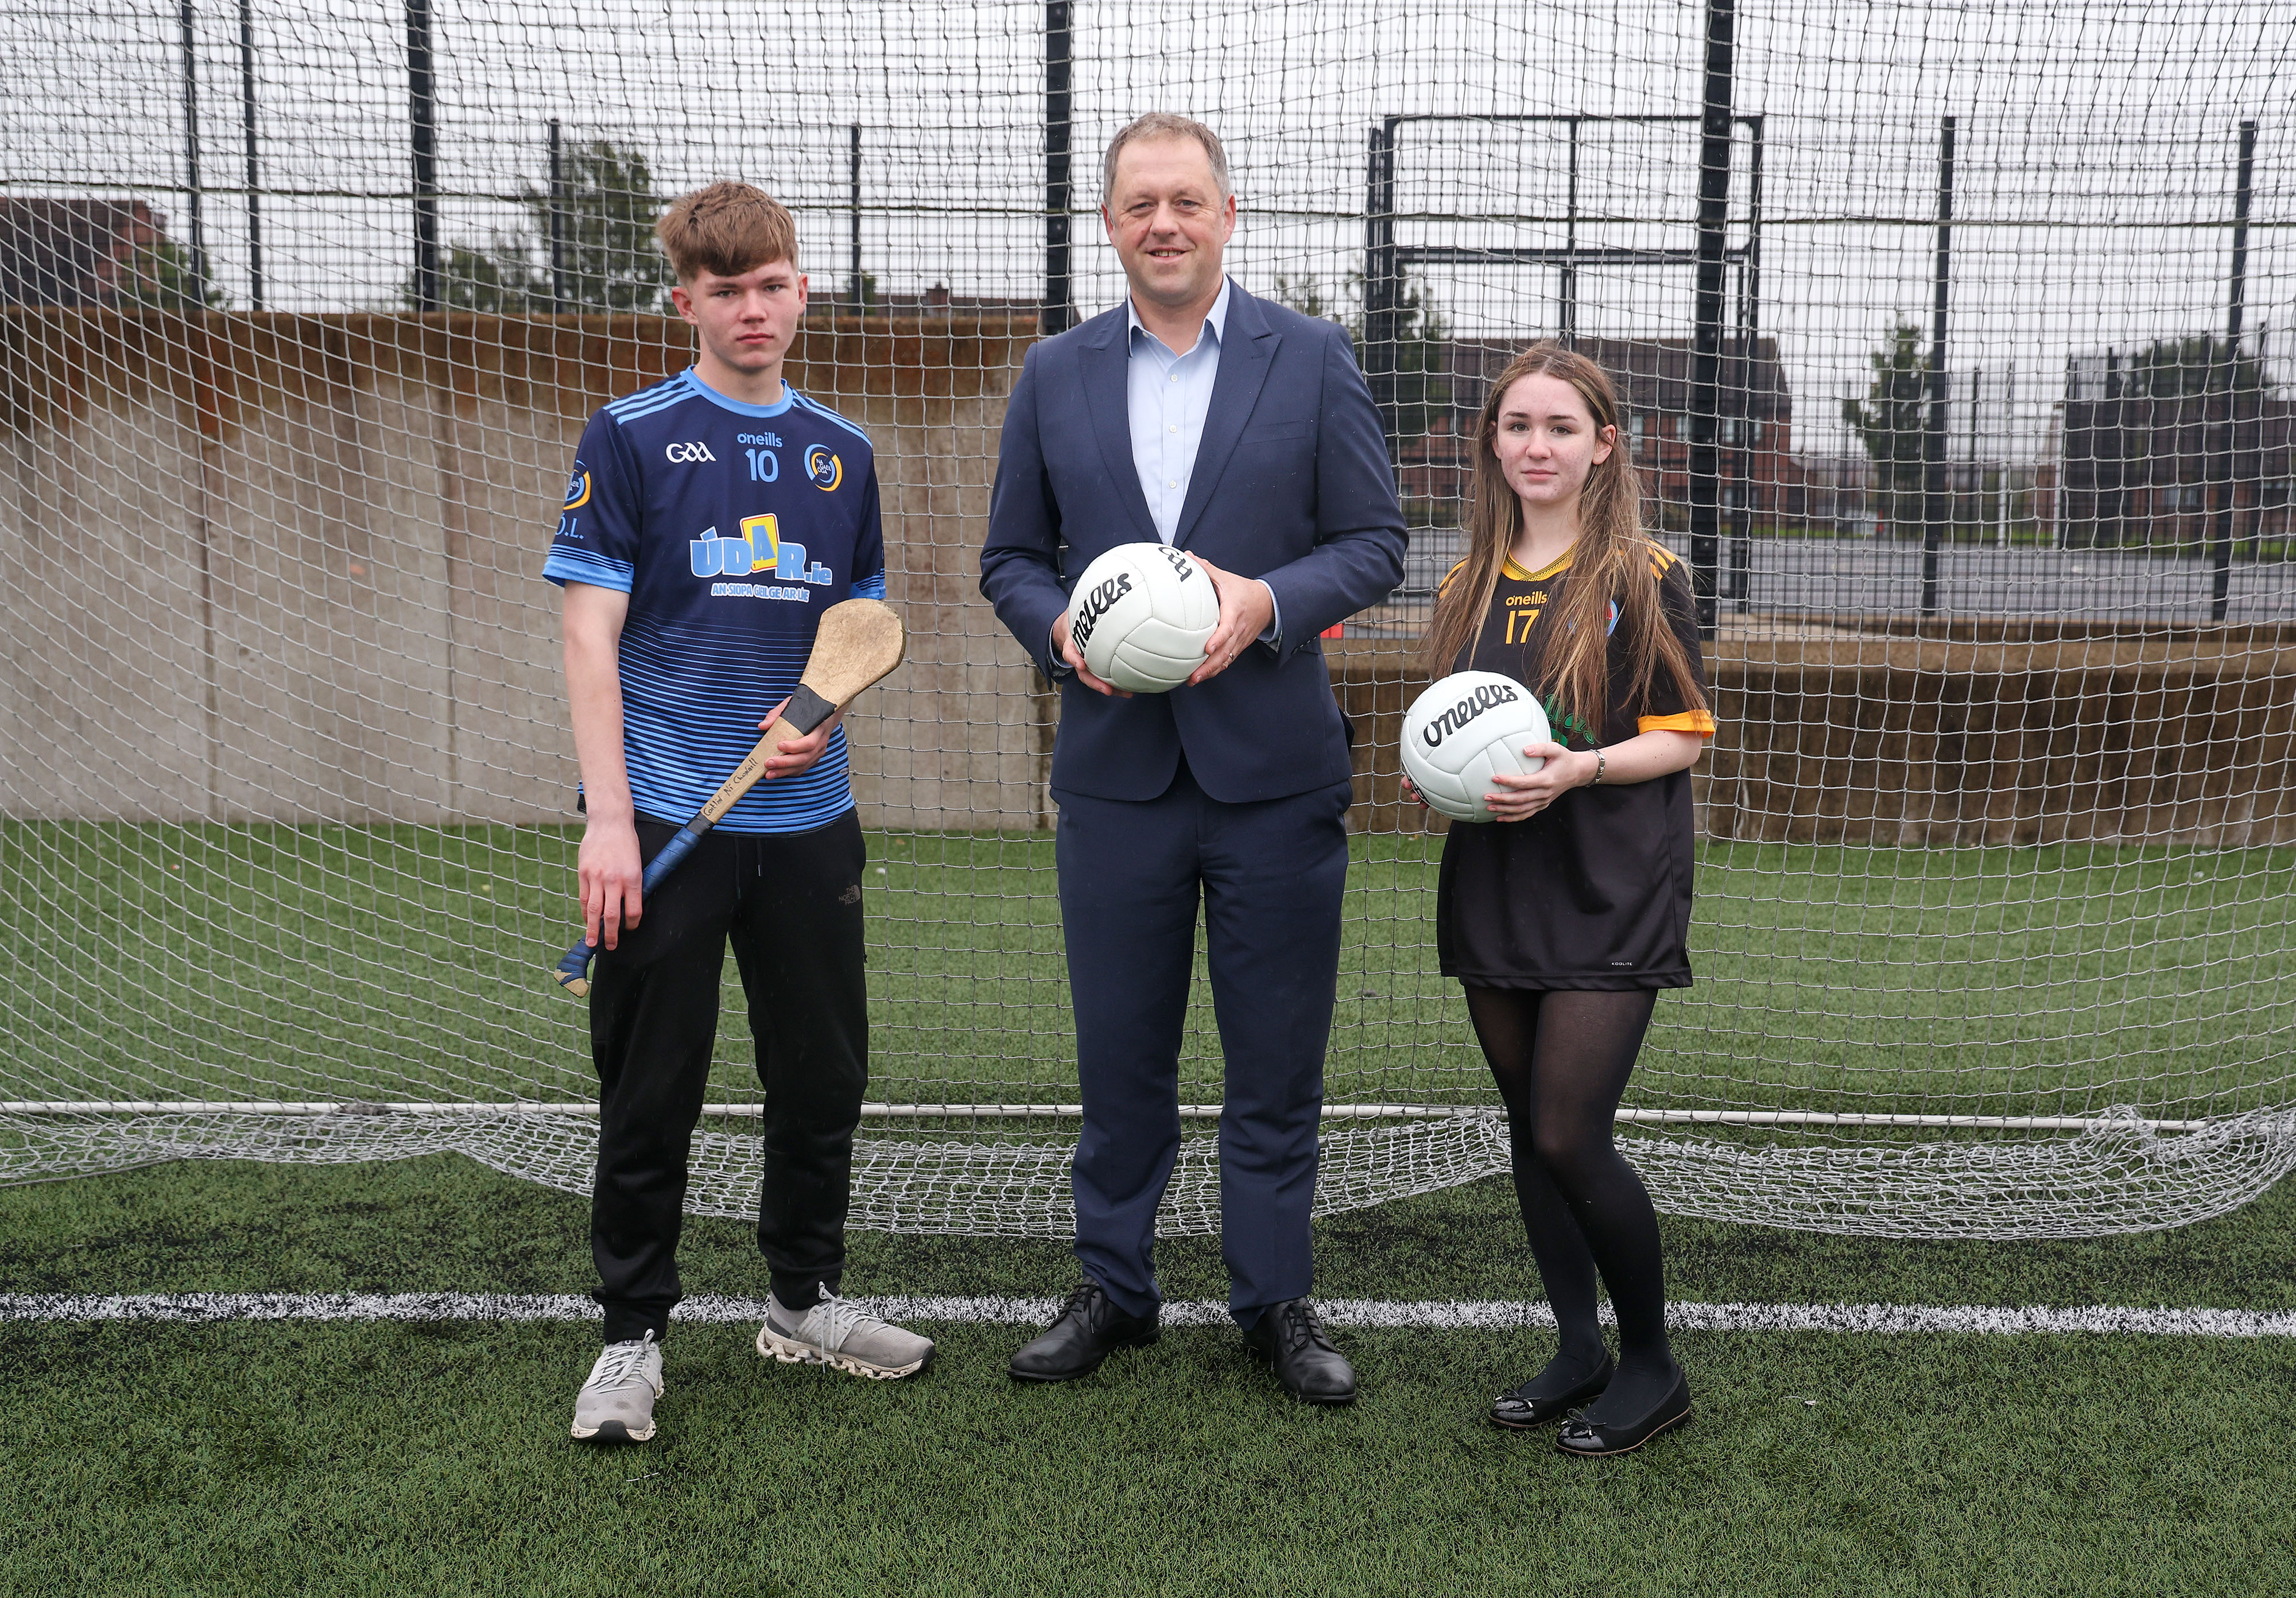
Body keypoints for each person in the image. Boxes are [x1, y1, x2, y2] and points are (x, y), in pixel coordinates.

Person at [980, 114, 1406, 1403]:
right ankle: (1113, 1287)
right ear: (1107, 226)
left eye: (1185, 201)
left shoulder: (1312, 357)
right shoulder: (1052, 374)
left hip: (1274, 775)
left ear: (1228, 214)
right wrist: (1058, 631)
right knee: (1120, 1058)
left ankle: (1273, 1299)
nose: (1161, 223)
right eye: (1137, 205)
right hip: (1116, 780)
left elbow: (1374, 542)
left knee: (1275, 1061)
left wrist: (1260, 603)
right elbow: (1005, 560)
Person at [546, 181, 933, 1445]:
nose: (751, 309)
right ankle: (629, 1337)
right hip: (664, 819)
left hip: (809, 821)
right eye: (724, 291)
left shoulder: (846, 454)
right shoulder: (631, 435)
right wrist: (609, 820)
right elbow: (587, 637)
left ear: (800, 289)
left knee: (820, 1078)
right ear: (685, 303)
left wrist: (813, 720)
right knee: (650, 1087)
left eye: (770, 284)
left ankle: (804, 1301)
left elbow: (857, 635)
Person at [1405, 343, 1714, 1456]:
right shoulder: (1462, 582)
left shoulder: (1642, 574)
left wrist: (1576, 768)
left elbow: (1677, 741)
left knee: (1568, 1132)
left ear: (1601, 446)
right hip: (1494, 878)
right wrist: (1429, 767)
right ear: (1491, 443)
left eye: (1560, 427)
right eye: (1516, 425)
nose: (1536, 446)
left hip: (1606, 880)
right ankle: (1574, 1347)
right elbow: (1450, 726)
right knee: (1526, 1137)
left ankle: (1649, 1366)